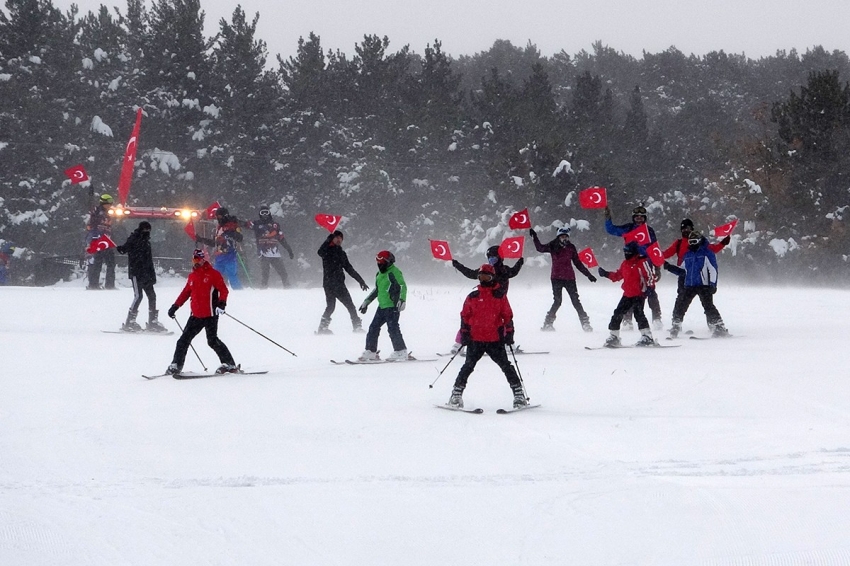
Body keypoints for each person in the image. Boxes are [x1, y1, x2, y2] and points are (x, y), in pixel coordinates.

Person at [447, 264, 527, 410]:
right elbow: (465, 316)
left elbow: (507, 315)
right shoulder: (473, 296)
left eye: (487, 276)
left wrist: (509, 332)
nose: (483, 279)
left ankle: (519, 395)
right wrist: (464, 333)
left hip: (494, 339)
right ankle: (456, 395)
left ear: (492, 277)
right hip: (475, 339)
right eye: (481, 276)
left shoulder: (500, 295)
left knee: (506, 366)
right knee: (468, 367)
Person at [165, 249, 238, 375]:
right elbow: (186, 293)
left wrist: (222, 303)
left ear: (204, 260)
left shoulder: (213, 274)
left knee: (212, 341)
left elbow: (223, 290)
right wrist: (175, 306)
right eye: (193, 259)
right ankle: (176, 366)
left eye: (197, 259)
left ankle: (230, 364)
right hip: (196, 316)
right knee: (183, 341)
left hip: (210, 314)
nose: (195, 262)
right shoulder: (192, 276)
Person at [448, 245, 524, 353]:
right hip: (483, 301)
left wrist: (520, 262)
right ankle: (458, 344)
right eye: (489, 258)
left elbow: (514, 271)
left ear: (500, 257)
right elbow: (470, 273)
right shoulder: (486, 270)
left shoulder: (504, 270)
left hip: (499, 302)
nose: (491, 260)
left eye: (494, 258)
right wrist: (458, 265)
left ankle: (507, 344)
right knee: (472, 321)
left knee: (501, 322)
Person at [662, 218, 729, 335]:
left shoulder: (706, 252)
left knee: (708, 306)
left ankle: (718, 326)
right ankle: (676, 325)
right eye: (690, 242)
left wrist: (713, 284)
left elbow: (713, 269)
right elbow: (682, 271)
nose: (692, 244)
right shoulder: (687, 254)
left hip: (703, 284)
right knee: (681, 305)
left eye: (694, 241)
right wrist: (668, 266)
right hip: (689, 284)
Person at [604, 204, 662, 329]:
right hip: (631, 263)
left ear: (645, 218)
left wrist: (657, 266)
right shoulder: (629, 228)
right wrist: (608, 218)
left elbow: (655, 248)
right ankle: (627, 319)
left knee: (650, 290)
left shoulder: (649, 231)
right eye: (637, 217)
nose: (639, 219)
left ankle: (656, 318)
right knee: (631, 290)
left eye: (642, 217)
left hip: (646, 263)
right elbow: (612, 230)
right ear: (633, 218)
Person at [530, 225, 597, 332]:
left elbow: (578, 263)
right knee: (557, 301)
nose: (564, 239)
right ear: (558, 237)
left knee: (575, 301)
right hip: (556, 278)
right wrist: (535, 237)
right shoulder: (553, 245)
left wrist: (588, 275)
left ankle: (585, 323)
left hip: (569, 278)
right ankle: (548, 323)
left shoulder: (571, 247)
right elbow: (540, 248)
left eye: (566, 237)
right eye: (562, 237)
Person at [597, 241, 658, 347]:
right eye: (625, 251)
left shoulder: (642, 262)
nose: (626, 254)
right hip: (627, 294)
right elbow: (617, 276)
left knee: (638, 314)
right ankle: (614, 336)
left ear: (634, 252)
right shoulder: (625, 264)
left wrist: (650, 289)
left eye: (628, 252)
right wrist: (606, 274)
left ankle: (647, 336)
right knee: (617, 313)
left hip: (639, 293)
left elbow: (650, 276)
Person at [116, 221, 167, 332]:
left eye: (149, 230)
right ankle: (130, 322)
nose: (147, 232)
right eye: (145, 229)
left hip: (147, 274)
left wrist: (152, 276)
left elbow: (148, 260)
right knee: (138, 296)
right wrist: (121, 248)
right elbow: (124, 249)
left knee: (152, 296)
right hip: (136, 273)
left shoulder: (146, 241)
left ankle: (152, 322)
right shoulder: (134, 238)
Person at [357, 250, 409, 361]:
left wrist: (402, 299)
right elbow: (377, 290)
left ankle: (401, 351)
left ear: (389, 262)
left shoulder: (394, 272)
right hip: (381, 307)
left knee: (393, 329)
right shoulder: (379, 274)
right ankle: (371, 351)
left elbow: (402, 285)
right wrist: (367, 302)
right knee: (373, 328)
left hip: (392, 306)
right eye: (378, 263)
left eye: (382, 263)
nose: (379, 265)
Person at [317, 230, 369, 334]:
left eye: (341, 238)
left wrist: (361, 281)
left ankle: (356, 327)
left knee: (344, 306)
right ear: (332, 238)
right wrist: (327, 240)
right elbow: (320, 252)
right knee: (335, 306)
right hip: (330, 284)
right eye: (337, 237)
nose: (339, 240)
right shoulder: (326, 250)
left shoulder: (341, 253)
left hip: (338, 284)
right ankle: (323, 328)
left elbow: (349, 268)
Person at [195, 207, 244, 289]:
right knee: (214, 276)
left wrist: (232, 233)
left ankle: (240, 293)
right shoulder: (219, 228)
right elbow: (215, 243)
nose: (218, 219)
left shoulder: (232, 225)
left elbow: (240, 238)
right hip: (220, 257)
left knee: (232, 276)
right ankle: (209, 292)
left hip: (230, 255)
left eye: (219, 217)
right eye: (217, 217)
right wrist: (201, 239)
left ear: (224, 216)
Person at [249, 204, 294, 289]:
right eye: (263, 213)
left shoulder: (275, 225)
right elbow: (246, 224)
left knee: (283, 272)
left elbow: (282, 239)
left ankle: (287, 287)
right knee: (265, 273)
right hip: (264, 253)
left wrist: (289, 250)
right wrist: (232, 221)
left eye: (266, 212)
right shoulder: (256, 224)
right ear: (260, 214)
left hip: (275, 253)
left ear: (269, 213)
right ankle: (264, 288)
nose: (265, 215)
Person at [85, 194, 116, 289]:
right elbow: (91, 226)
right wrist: (94, 239)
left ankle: (109, 285)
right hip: (98, 239)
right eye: (109, 203)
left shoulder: (109, 213)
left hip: (106, 240)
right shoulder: (97, 212)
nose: (110, 205)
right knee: (97, 263)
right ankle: (93, 284)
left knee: (111, 262)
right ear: (104, 203)